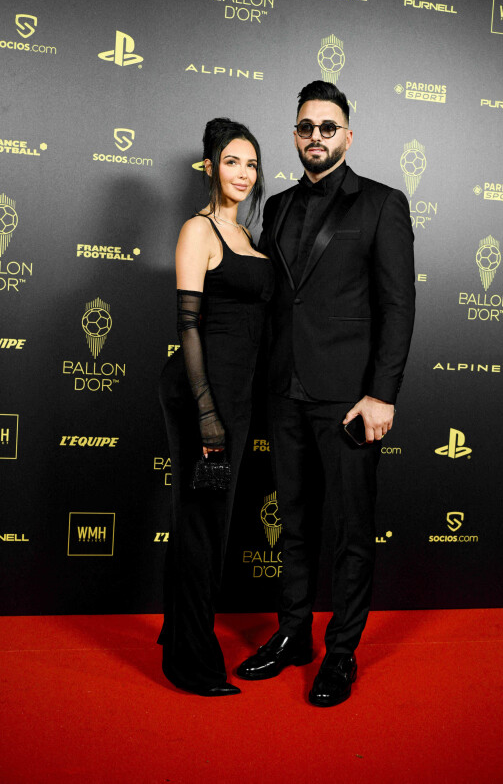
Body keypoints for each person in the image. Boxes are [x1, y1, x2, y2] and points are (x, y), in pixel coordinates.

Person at [237, 81, 415, 706]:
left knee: (351, 532)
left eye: (328, 126)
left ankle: (340, 654)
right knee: (294, 523)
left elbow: (397, 306)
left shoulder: (382, 204)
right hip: (284, 393)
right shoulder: (278, 208)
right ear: (294, 134)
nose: (317, 136)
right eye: (306, 126)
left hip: (349, 402)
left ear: (347, 133)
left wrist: (383, 395)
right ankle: (293, 634)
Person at [158, 118, 274, 696]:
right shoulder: (197, 231)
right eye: (232, 161)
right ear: (210, 167)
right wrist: (207, 412)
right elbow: (188, 327)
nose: (244, 174)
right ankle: (189, 659)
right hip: (201, 392)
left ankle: (177, 629)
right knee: (203, 522)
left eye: (251, 164)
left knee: (210, 521)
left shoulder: (251, 240)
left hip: (237, 393)